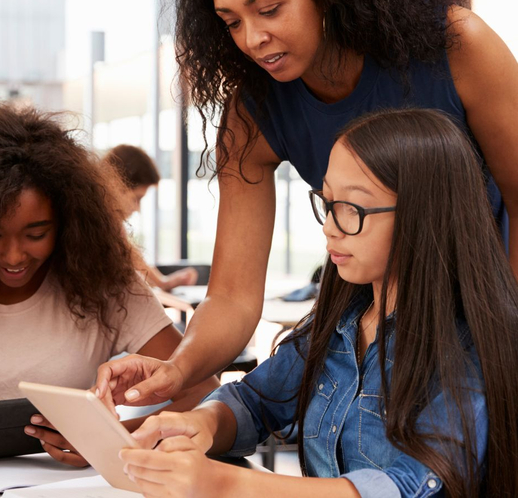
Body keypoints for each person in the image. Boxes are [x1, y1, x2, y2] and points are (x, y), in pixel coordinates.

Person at [93, 0, 518, 408]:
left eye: (269, 9)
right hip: (380, 327)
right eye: (230, 21)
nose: (252, 38)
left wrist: (499, 340)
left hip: (491, 310)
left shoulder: (456, 44)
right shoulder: (254, 111)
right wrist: (177, 369)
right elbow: (231, 295)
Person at [117, 109, 518, 498]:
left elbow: (409, 484)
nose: (329, 227)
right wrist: (200, 424)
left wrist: (224, 485)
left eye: (352, 209)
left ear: (425, 214)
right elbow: (253, 400)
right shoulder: (337, 327)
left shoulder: (470, 349)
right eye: (327, 202)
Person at [0, 104, 218, 467]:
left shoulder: (105, 286)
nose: (13, 256)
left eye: (36, 233)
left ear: (67, 221)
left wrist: (113, 440)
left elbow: (205, 392)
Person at [104, 144, 198, 291]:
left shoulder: (110, 225)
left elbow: (131, 255)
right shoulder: (101, 222)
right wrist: (163, 282)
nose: (137, 208)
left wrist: (163, 282)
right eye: (137, 198)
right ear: (115, 185)